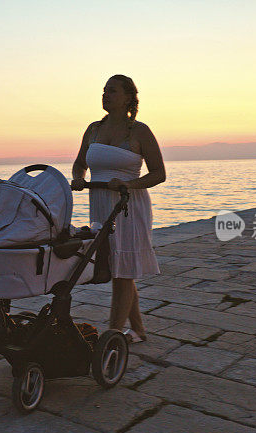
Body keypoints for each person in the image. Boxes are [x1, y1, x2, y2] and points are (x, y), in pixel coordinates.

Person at [71, 75, 165, 344]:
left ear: (128, 97)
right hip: (100, 205)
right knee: (117, 267)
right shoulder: (92, 129)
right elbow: (80, 163)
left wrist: (128, 183)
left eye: (112, 91)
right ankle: (138, 330)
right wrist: (78, 178)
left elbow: (159, 173)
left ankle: (111, 336)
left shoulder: (139, 131)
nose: (105, 95)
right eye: (103, 90)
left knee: (123, 270)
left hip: (128, 206)